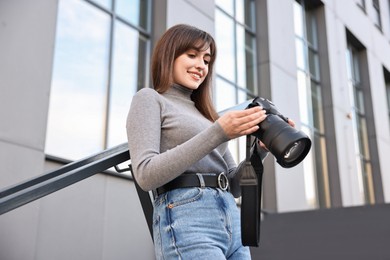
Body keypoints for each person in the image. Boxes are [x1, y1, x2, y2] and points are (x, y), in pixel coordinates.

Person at [126, 24, 267, 259]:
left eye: (207, 59)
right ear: (169, 55)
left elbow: (233, 185)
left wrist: (259, 152)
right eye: (192, 55)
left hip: (231, 218)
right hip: (188, 217)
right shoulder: (150, 99)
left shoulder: (208, 116)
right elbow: (146, 174)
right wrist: (218, 132)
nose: (201, 65)